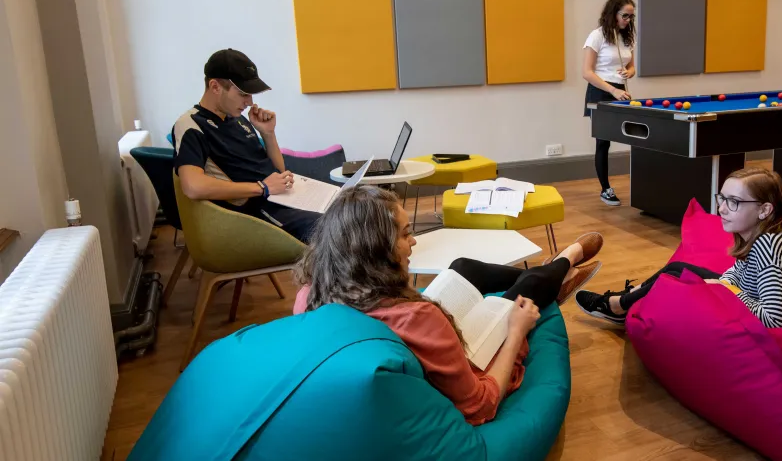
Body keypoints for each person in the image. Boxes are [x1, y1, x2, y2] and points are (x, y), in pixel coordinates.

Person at [292, 186, 604, 425]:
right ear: (376, 250)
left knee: (461, 266)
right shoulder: (419, 317)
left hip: (423, 342)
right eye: (405, 234)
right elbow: (481, 405)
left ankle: (550, 272)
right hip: (466, 364)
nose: (413, 242)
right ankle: (564, 262)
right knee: (522, 295)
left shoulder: (309, 295)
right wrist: (515, 333)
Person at [575, 168, 782, 329]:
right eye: (722, 198)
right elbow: (740, 272)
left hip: (771, 315)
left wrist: (730, 290)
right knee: (677, 269)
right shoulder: (760, 231)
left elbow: (778, 319)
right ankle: (621, 303)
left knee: (679, 278)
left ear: (764, 210)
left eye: (733, 202)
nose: (721, 209)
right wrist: (726, 282)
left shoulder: (769, 246)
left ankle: (618, 306)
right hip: (754, 296)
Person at [172, 48, 320, 243]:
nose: (250, 103)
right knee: (339, 227)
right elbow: (193, 186)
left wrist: (267, 133)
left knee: (353, 208)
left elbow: (277, 171)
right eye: (243, 94)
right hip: (256, 215)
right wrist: (262, 188)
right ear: (215, 86)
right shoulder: (191, 125)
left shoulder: (237, 119)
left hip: (280, 200)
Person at [582, 0, 636, 207]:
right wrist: (612, 91)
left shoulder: (625, 36)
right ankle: (605, 189)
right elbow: (587, 72)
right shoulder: (596, 36)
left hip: (620, 90)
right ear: (613, 13)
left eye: (631, 17)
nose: (628, 20)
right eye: (625, 16)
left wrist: (629, 72)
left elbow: (632, 65)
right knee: (603, 142)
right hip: (601, 91)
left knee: (633, 135)